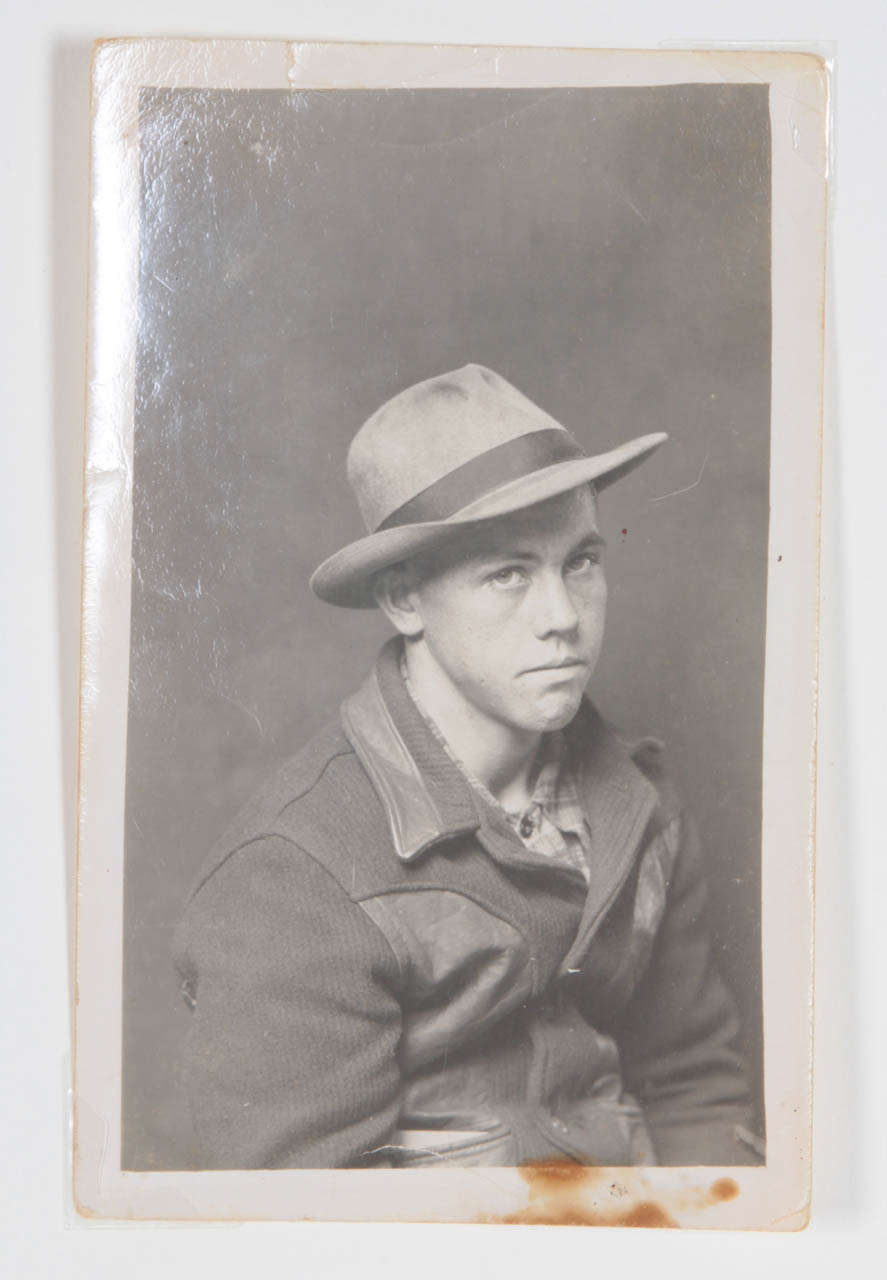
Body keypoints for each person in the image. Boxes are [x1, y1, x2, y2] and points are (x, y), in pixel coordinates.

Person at [174, 363, 759, 1170]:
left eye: (580, 561)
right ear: (404, 600)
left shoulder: (637, 804)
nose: (561, 618)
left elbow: (695, 1088)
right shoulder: (293, 878)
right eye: (507, 574)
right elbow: (297, 1232)